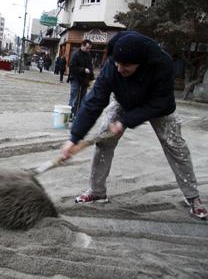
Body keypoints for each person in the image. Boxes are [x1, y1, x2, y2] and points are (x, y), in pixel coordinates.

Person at [61, 31, 207, 219]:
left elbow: (160, 102)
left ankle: (193, 197)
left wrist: (126, 121)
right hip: (123, 101)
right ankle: (97, 191)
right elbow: (94, 101)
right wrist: (74, 138)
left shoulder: (162, 63)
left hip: (157, 106)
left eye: (127, 66)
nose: (120, 69)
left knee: (175, 145)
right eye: (117, 63)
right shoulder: (113, 66)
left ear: (141, 63)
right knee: (104, 138)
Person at [68, 39, 94, 119]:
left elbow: (90, 67)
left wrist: (92, 78)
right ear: (82, 45)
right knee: (74, 96)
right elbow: (72, 67)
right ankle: (70, 114)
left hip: (84, 80)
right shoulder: (75, 54)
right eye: (87, 48)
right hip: (75, 78)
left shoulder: (88, 55)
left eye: (89, 48)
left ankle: (78, 115)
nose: (88, 50)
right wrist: (83, 69)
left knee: (82, 98)